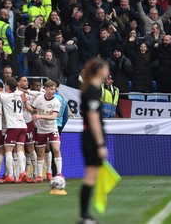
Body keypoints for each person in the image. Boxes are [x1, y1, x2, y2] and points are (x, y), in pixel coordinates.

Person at [78, 58, 109, 224]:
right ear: (100, 70)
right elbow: (93, 118)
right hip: (91, 139)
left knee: (91, 177)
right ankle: (84, 215)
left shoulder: (93, 88)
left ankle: (84, 215)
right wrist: (100, 144)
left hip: (89, 137)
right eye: (106, 68)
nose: (108, 71)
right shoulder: (92, 90)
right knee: (90, 177)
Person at [0, 77, 27, 183]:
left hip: (13, 126)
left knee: (8, 151)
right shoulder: (19, 95)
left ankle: (10, 175)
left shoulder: (5, 96)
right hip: (22, 125)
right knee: (19, 150)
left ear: (7, 86)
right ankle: (22, 172)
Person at [24, 80, 63, 182]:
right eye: (51, 89)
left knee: (56, 149)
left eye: (54, 89)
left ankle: (59, 173)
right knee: (40, 153)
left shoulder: (56, 101)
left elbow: (53, 116)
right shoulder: (39, 99)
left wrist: (40, 116)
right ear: (45, 89)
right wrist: (25, 102)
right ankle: (40, 176)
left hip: (52, 129)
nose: (53, 91)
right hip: (41, 130)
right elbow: (32, 109)